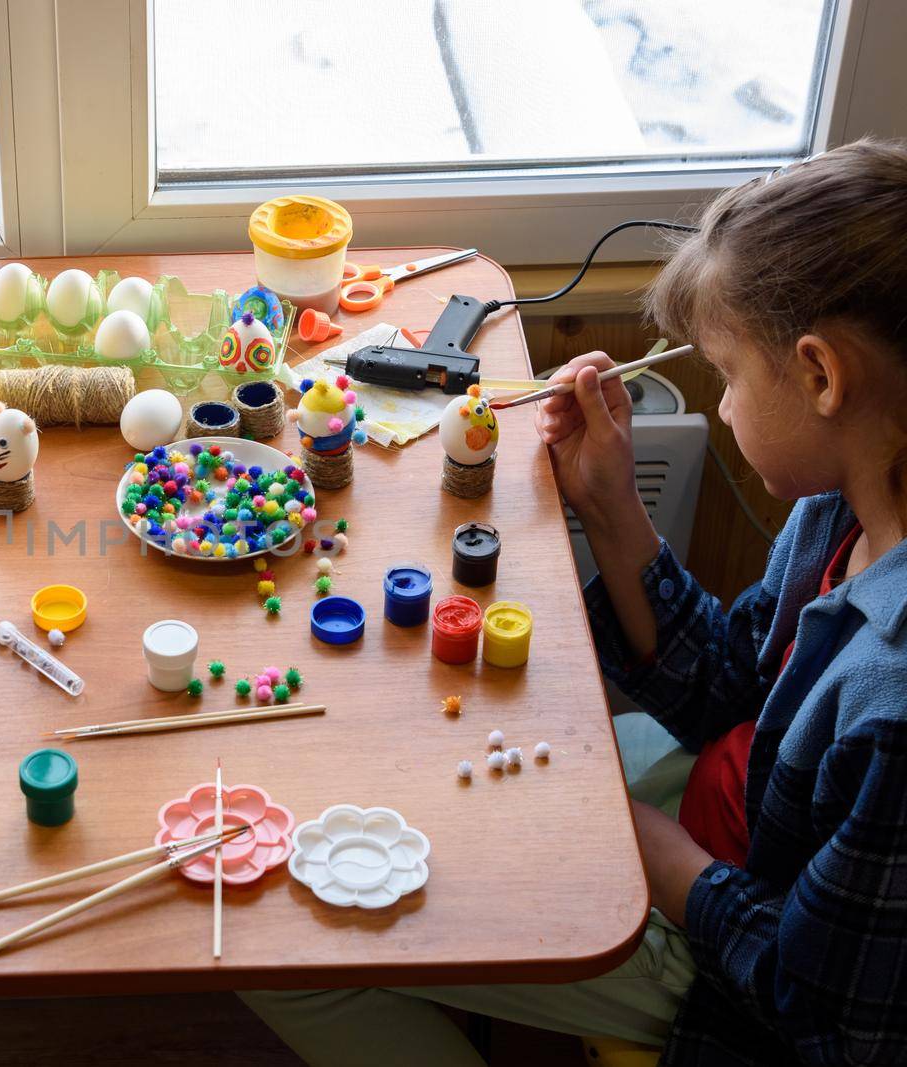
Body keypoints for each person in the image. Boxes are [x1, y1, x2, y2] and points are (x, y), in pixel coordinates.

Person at [244, 138, 907, 1065]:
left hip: (731, 962)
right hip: (719, 805)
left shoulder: (893, 711)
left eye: (726, 376)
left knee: (289, 940)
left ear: (821, 375)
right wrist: (610, 507)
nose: (720, 408)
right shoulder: (851, 499)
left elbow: (825, 1020)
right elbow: (729, 688)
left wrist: (651, 852)